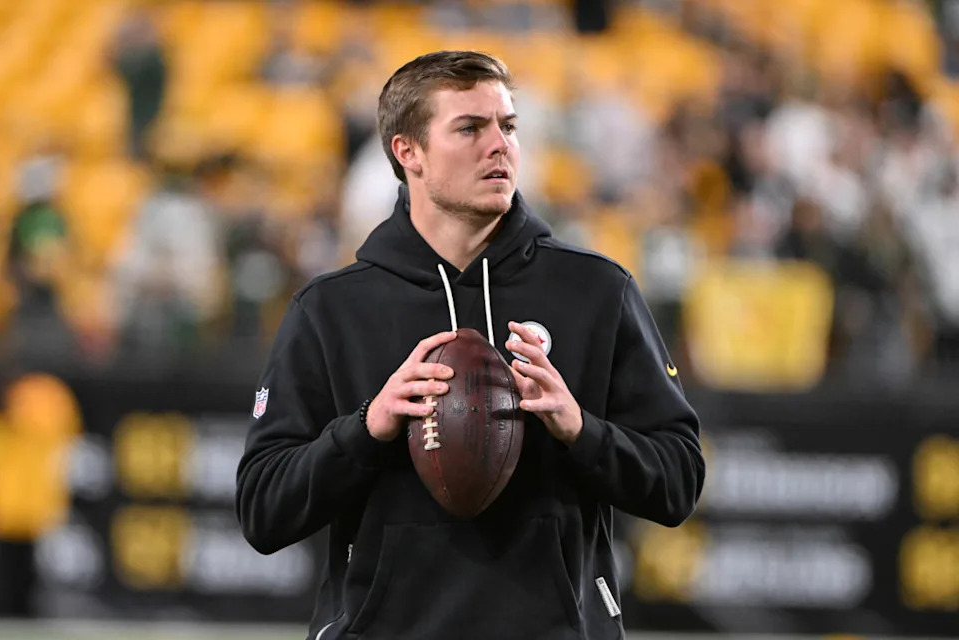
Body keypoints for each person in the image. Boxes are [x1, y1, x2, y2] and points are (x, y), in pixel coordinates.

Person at [236, 50, 705, 640]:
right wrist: (366, 428)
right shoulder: (331, 309)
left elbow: (678, 481)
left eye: (508, 126)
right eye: (469, 128)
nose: (499, 145)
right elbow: (263, 510)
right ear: (408, 152)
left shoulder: (597, 291)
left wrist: (580, 429)